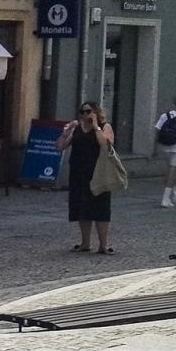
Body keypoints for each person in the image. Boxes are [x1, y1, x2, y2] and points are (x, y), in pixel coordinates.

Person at [56, 101, 115, 253]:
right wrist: (65, 133)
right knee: (82, 207)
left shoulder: (105, 126)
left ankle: (103, 245)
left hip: (98, 172)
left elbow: (105, 144)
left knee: (101, 207)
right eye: (82, 112)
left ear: (95, 112)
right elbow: (60, 147)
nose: (84, 115)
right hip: (78, 172)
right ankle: (85, 243)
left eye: (88, 111)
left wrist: (95, 127)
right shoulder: (76, 128)